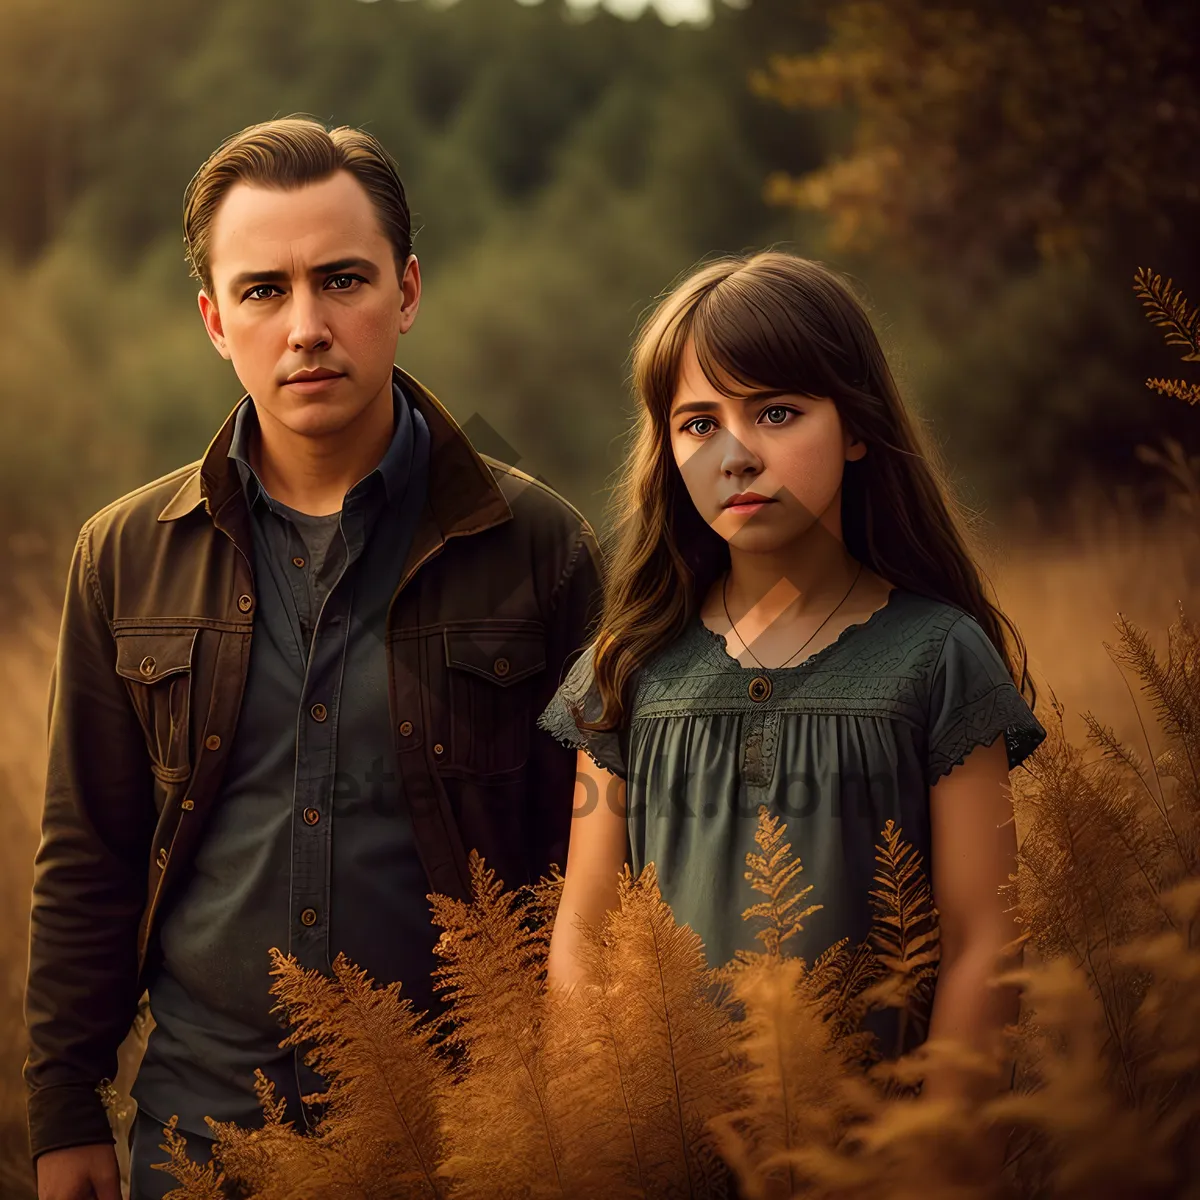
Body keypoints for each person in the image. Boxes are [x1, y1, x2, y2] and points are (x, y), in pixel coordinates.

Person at [26, 116, 603, 1200]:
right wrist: (63, 1111)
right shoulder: (126, 556)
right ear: (212, 318)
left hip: (471, 1139)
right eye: (263, 291)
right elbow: (87, 853)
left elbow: (603, 861)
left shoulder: (540, 548)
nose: (307, 326)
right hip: (202, 1140)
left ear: (408, 291)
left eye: (343, 280)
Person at [539, 251, 1046, 1108]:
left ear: (855, 427)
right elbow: (583, 942)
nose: (734, 455)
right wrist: (608, 1140)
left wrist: (941, 1155)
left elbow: (984, 942)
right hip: (673, 1151)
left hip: (878, 1154)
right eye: (698, 423)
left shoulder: (938, 656)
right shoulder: (627, 669)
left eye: (776, 412)